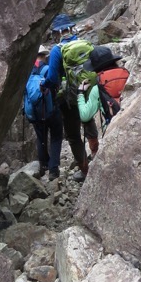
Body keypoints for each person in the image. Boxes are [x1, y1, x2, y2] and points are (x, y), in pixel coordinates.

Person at [42, 14, 99, 182]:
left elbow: (52, 78)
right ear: (71, 28)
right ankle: (96, 155)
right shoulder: (85, 44)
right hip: (88, 90)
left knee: (73, 135)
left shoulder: (57, 50)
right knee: (88, 122)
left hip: (69, 98)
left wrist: (45, 86)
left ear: (57, 33)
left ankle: (85, 171)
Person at [24, 45, 63, 181]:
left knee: (41, 138)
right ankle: (53, 169)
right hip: (51, 109)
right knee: (56, 136)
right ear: (44, 56)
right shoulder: (47, 69)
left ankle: (43, 165)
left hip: (34, 112)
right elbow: (56, 85)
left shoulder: (26, 72)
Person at [77, 46, 124, 132]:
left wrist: (80, 93)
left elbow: (85, 116)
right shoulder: (127, 76)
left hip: (112, 130)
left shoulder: (98, 89)